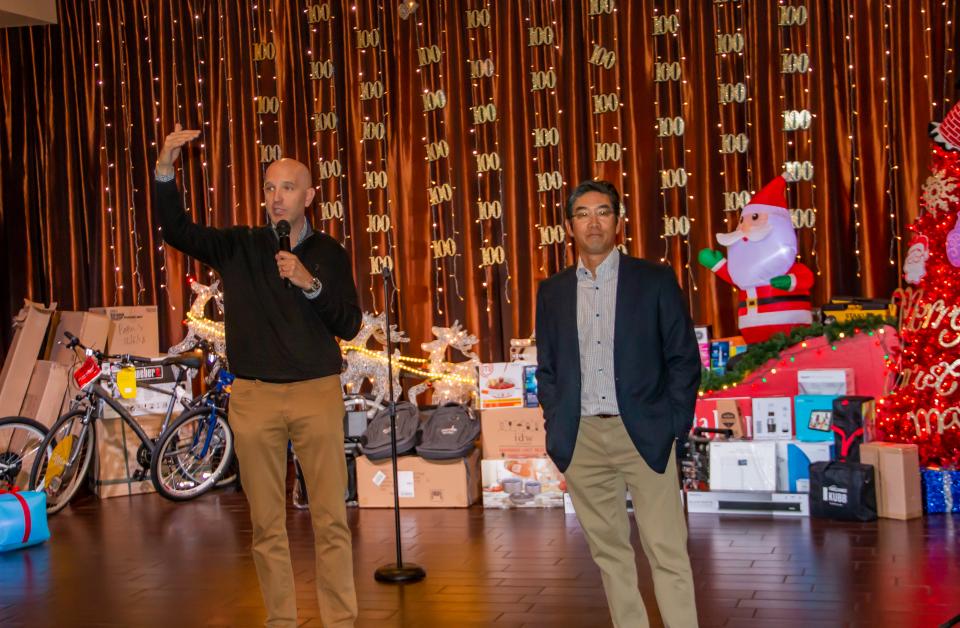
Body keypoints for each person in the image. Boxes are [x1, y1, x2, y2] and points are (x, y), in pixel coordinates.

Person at [154, 124, 361, 628]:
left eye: (287, 187)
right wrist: (165, 168)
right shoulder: (240, 246)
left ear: (310, 195)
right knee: (267, 525)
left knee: (331, 520)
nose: (276, 197)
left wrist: (308, 283)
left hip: (315, 393)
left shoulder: (328, 254)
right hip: (254, 398)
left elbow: (350, 323)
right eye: (269, 187)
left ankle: (340, 621)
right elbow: (177, 230)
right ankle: (281, 621)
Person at [535, 180, 701, 628]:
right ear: (569, 225)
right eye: (583, 213)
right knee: (610, 555)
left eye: (603, 211)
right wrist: (556, 423)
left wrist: (673, 424)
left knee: (667, 550)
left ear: (619, 221)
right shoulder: (551, 291)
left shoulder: (654, 280)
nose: (593, 221)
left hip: (644, 434)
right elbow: (547, 368)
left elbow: (683, 359)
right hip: (583, 438)